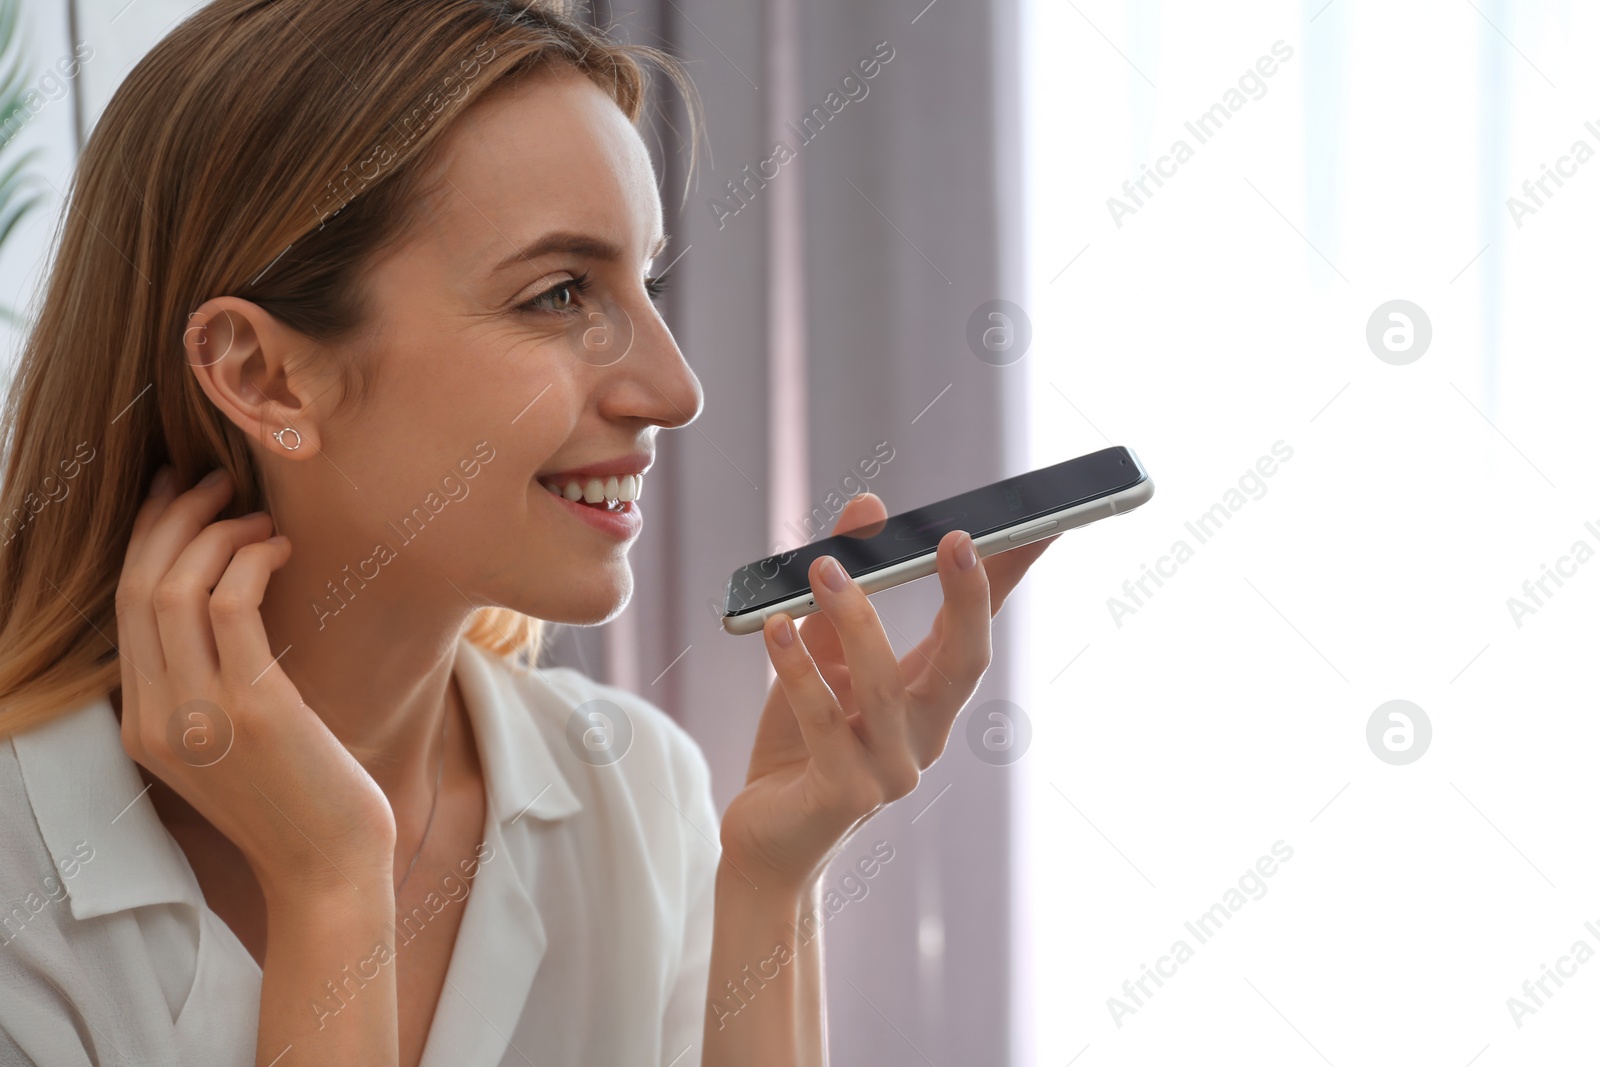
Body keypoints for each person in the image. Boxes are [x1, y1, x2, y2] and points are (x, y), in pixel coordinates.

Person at [0, 1, 1056, 1064]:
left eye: (643, 284)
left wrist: (774, 879)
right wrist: (332, 882)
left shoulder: (630, 787)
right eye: (559, 294)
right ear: (262, 374)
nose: (675, 389)